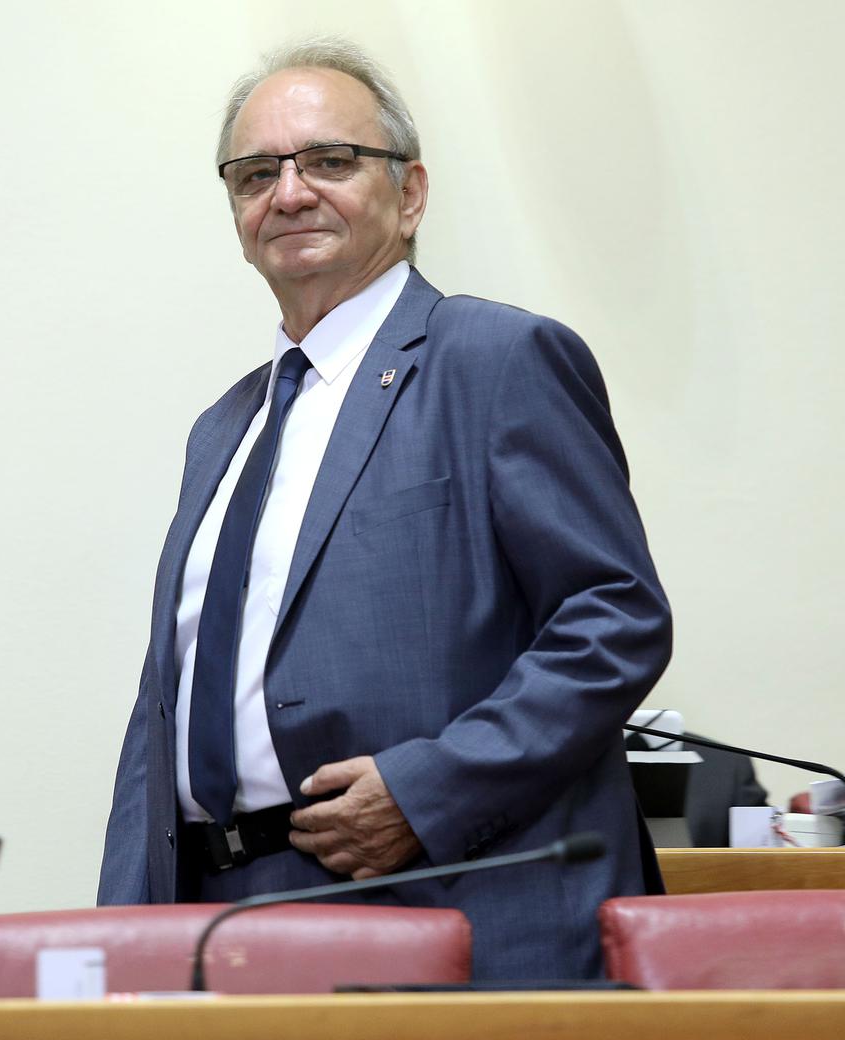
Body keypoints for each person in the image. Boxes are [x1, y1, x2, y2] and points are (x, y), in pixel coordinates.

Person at [97, 38, 672, 980]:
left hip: (442, 893)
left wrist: (427, 790)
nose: (289, 193)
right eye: (256, 174)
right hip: (221, 917)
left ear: (410, 194)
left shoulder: (495, 359)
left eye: (329, 161)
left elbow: (613, 620)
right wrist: (125, 937)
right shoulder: (224, 428)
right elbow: (162, 716)